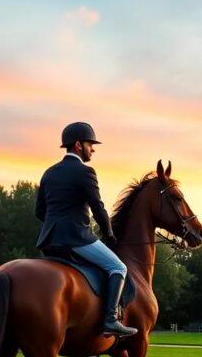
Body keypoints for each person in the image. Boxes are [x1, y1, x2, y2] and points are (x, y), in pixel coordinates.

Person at [35, 122, 136, 337]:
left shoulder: (49, 173)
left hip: (49, 240)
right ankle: (110, 320)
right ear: (79, 145)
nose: (93, 150)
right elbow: (98, 208)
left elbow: (39, 211)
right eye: (90, 145)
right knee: (118, 267)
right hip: (76, 238)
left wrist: (56, 227)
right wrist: (109, 234)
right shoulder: (85, 172)